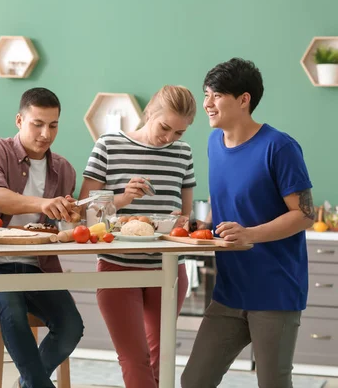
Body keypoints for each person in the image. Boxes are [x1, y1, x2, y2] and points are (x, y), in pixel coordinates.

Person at [181, 58, 314, 388]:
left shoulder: (278, 146)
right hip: (230, 290)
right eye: (206, 94)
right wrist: (199, 226)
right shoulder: (215, 143)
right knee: (195, 380)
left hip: (275, 290)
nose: (207, 103)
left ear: (244, 99)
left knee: (273, 383)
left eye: (216, 95)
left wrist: (249, 234)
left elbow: (306, 214)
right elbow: (227, 205)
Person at [0, 87, 84, 388]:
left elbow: (64, 222)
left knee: (72, 326)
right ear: (20, 120)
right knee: (14, 314)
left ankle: (27, 384)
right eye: (37, 123)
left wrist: (71, 215)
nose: (46, 133)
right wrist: (43, 203)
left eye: (53, 125)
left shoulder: (64, 169)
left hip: (38, 266)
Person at [80, 85, 197, 388]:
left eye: (179, 133)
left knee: (161, 356)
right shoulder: (108, 144)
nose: (169, 138)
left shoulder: (183, 154)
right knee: (134, 358)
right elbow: (86, 213)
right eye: (165, 127)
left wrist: (181, 220)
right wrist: (120, 199)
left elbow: (185, 217)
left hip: (169, 267)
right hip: (118, 265)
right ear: (150, 113)